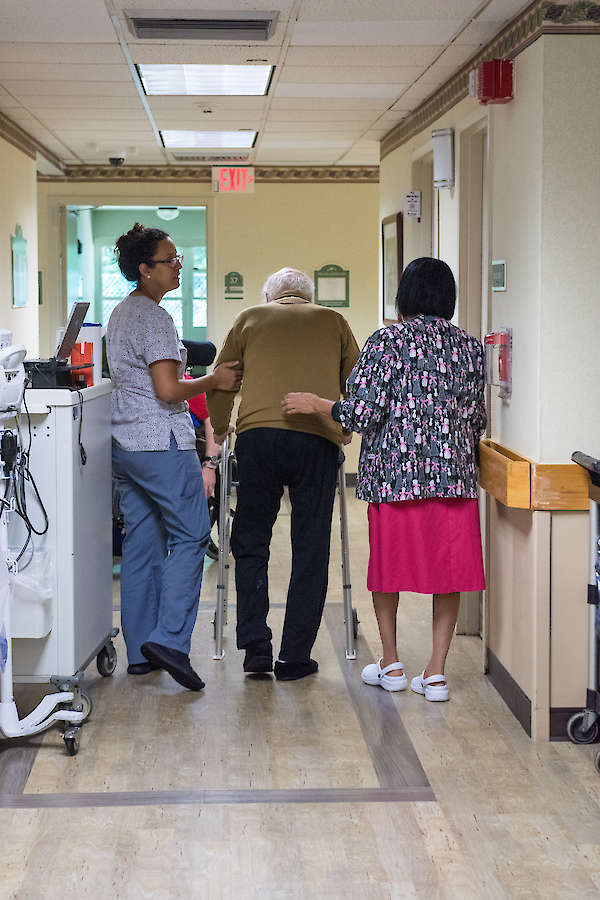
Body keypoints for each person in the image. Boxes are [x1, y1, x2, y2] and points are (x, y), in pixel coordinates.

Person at [282, 257, 486, 701]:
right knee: (447, 574)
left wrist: (318, 403)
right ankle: (435, 672)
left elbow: (362, 412)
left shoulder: (387, 342)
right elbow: (476, 419)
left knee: (387, 569)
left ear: (405, 295)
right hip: (453, 478)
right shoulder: (469, 347)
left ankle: (391, 663)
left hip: (395, 479)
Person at [106, 223, 242, 690]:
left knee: (142, 542)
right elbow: (167, 391)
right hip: (160, 442)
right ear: (145, 270)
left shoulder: (121, 314)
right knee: (192, 533)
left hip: (125, 446)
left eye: (178, 258)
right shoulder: (155, 318)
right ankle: (170, 639)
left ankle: (142, 649)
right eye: (169, 260)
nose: (178, 266)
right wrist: (214, 381)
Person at [207, 267, 360, 681]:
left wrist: (220, 430)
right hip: (316, 441)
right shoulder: (334, 321)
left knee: (252, 540)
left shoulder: (250, 319)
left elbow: (221, 383)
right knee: (311, 544)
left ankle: (256, 646)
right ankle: (295, 657)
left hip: (258, 440)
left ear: (269, 295)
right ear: (306, 297)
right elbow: (357, 387)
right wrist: (341, 428)